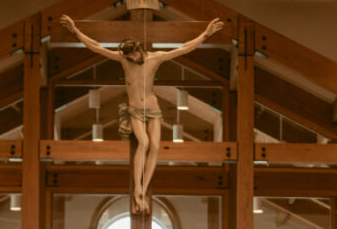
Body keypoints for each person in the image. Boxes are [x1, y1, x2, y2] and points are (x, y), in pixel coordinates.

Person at [59, 14, 224, 212]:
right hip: (135, 109)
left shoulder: (155, 58)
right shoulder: (123, 60)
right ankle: (137, 187)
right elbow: (97, 47)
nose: (132, 59)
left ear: (139, 49)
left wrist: (205, 34)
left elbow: (183, 49)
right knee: (143, 143)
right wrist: (75, 30)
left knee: (155, 146)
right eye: (128, 57)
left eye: (134, 56)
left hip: (153, 108)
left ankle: (144, 189)